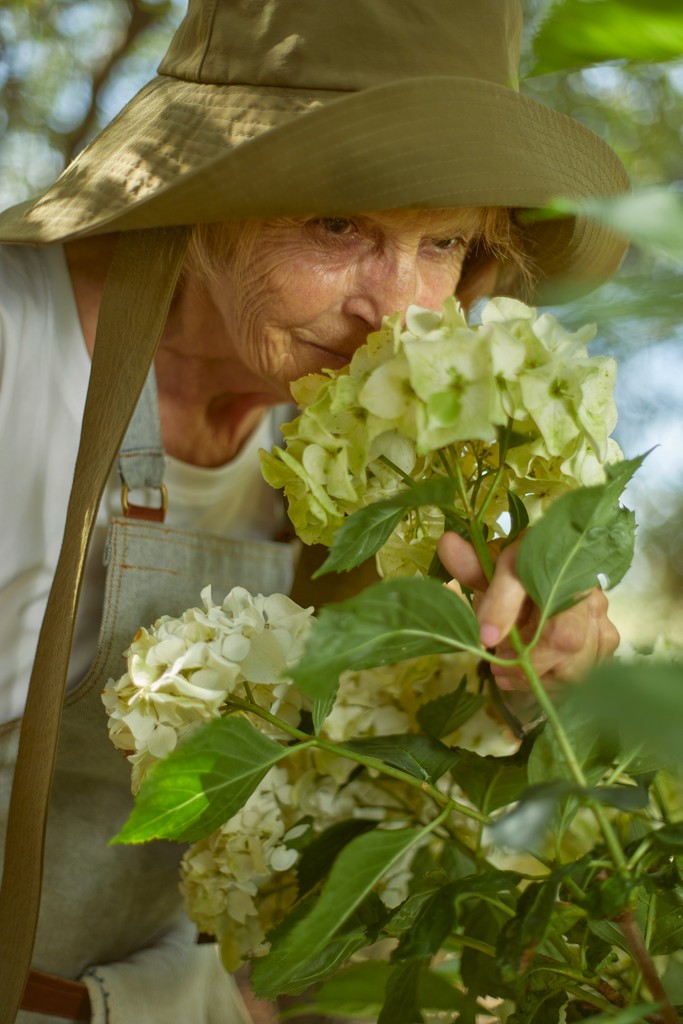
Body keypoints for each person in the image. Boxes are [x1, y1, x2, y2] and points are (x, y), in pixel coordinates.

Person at [0, 0, 628, 1021]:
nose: (397, 311)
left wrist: (523, 667)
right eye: (338, 225)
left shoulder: (371, 441)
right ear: (202, 198)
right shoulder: (16, 354)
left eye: (444, 243)